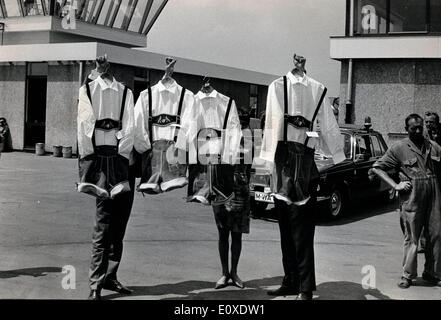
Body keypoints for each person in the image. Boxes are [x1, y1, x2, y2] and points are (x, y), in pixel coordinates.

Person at [260, 54, 345, 300]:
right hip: (281, 164)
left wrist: (337, 154)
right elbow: (270, 124)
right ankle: (291, 281)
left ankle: (306, 288)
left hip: (305, 167)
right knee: (285, 229)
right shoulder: (276, 87)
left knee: (303, 231)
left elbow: (328, 126)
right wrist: (267, 163)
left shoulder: (318, 90)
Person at [77, 55, 136, 300]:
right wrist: (91, 163)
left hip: (123, 165)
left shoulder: (126, 93)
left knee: (119, 225)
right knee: (103, 226)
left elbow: (131, 128)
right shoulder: (88, 91)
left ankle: (111, 276)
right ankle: (95, 285)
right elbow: (83, 126)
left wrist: (121, 158)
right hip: (102, 163)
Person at [372, 113, 441, 289]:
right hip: (413, 195)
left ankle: (432, 273)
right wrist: (395, 185)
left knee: (436, 235)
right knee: (412, 236)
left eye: (420, 127)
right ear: (406, 130)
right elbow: (377, 168)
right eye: (413, 128)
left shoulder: (433, 146)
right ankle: (408, 275)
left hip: (433, 193)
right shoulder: (398, 148)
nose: (418, 130)